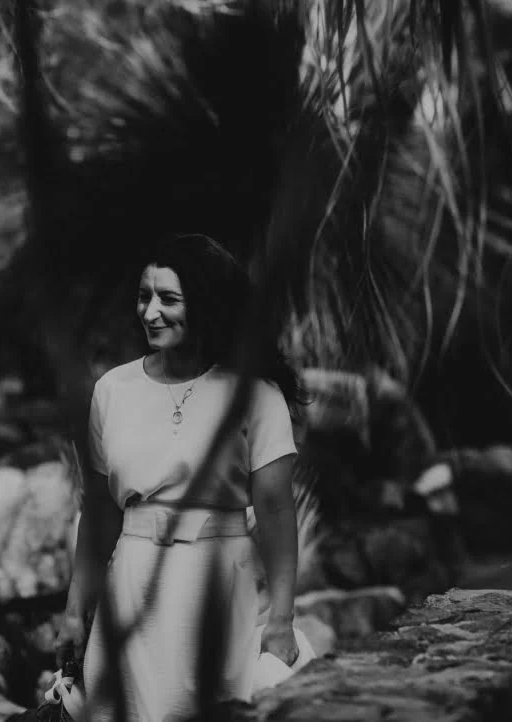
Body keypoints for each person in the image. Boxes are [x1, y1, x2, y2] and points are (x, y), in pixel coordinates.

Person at [55, 233, 303, 721]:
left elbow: (275, 509)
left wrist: (282, 618)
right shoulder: (113, 390)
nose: (150, 312)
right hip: (132, 585)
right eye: (144, 296)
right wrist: (73, 611)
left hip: (219, 586)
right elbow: (99, 513)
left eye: (168, 299)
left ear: (206, 304)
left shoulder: (256, 395)